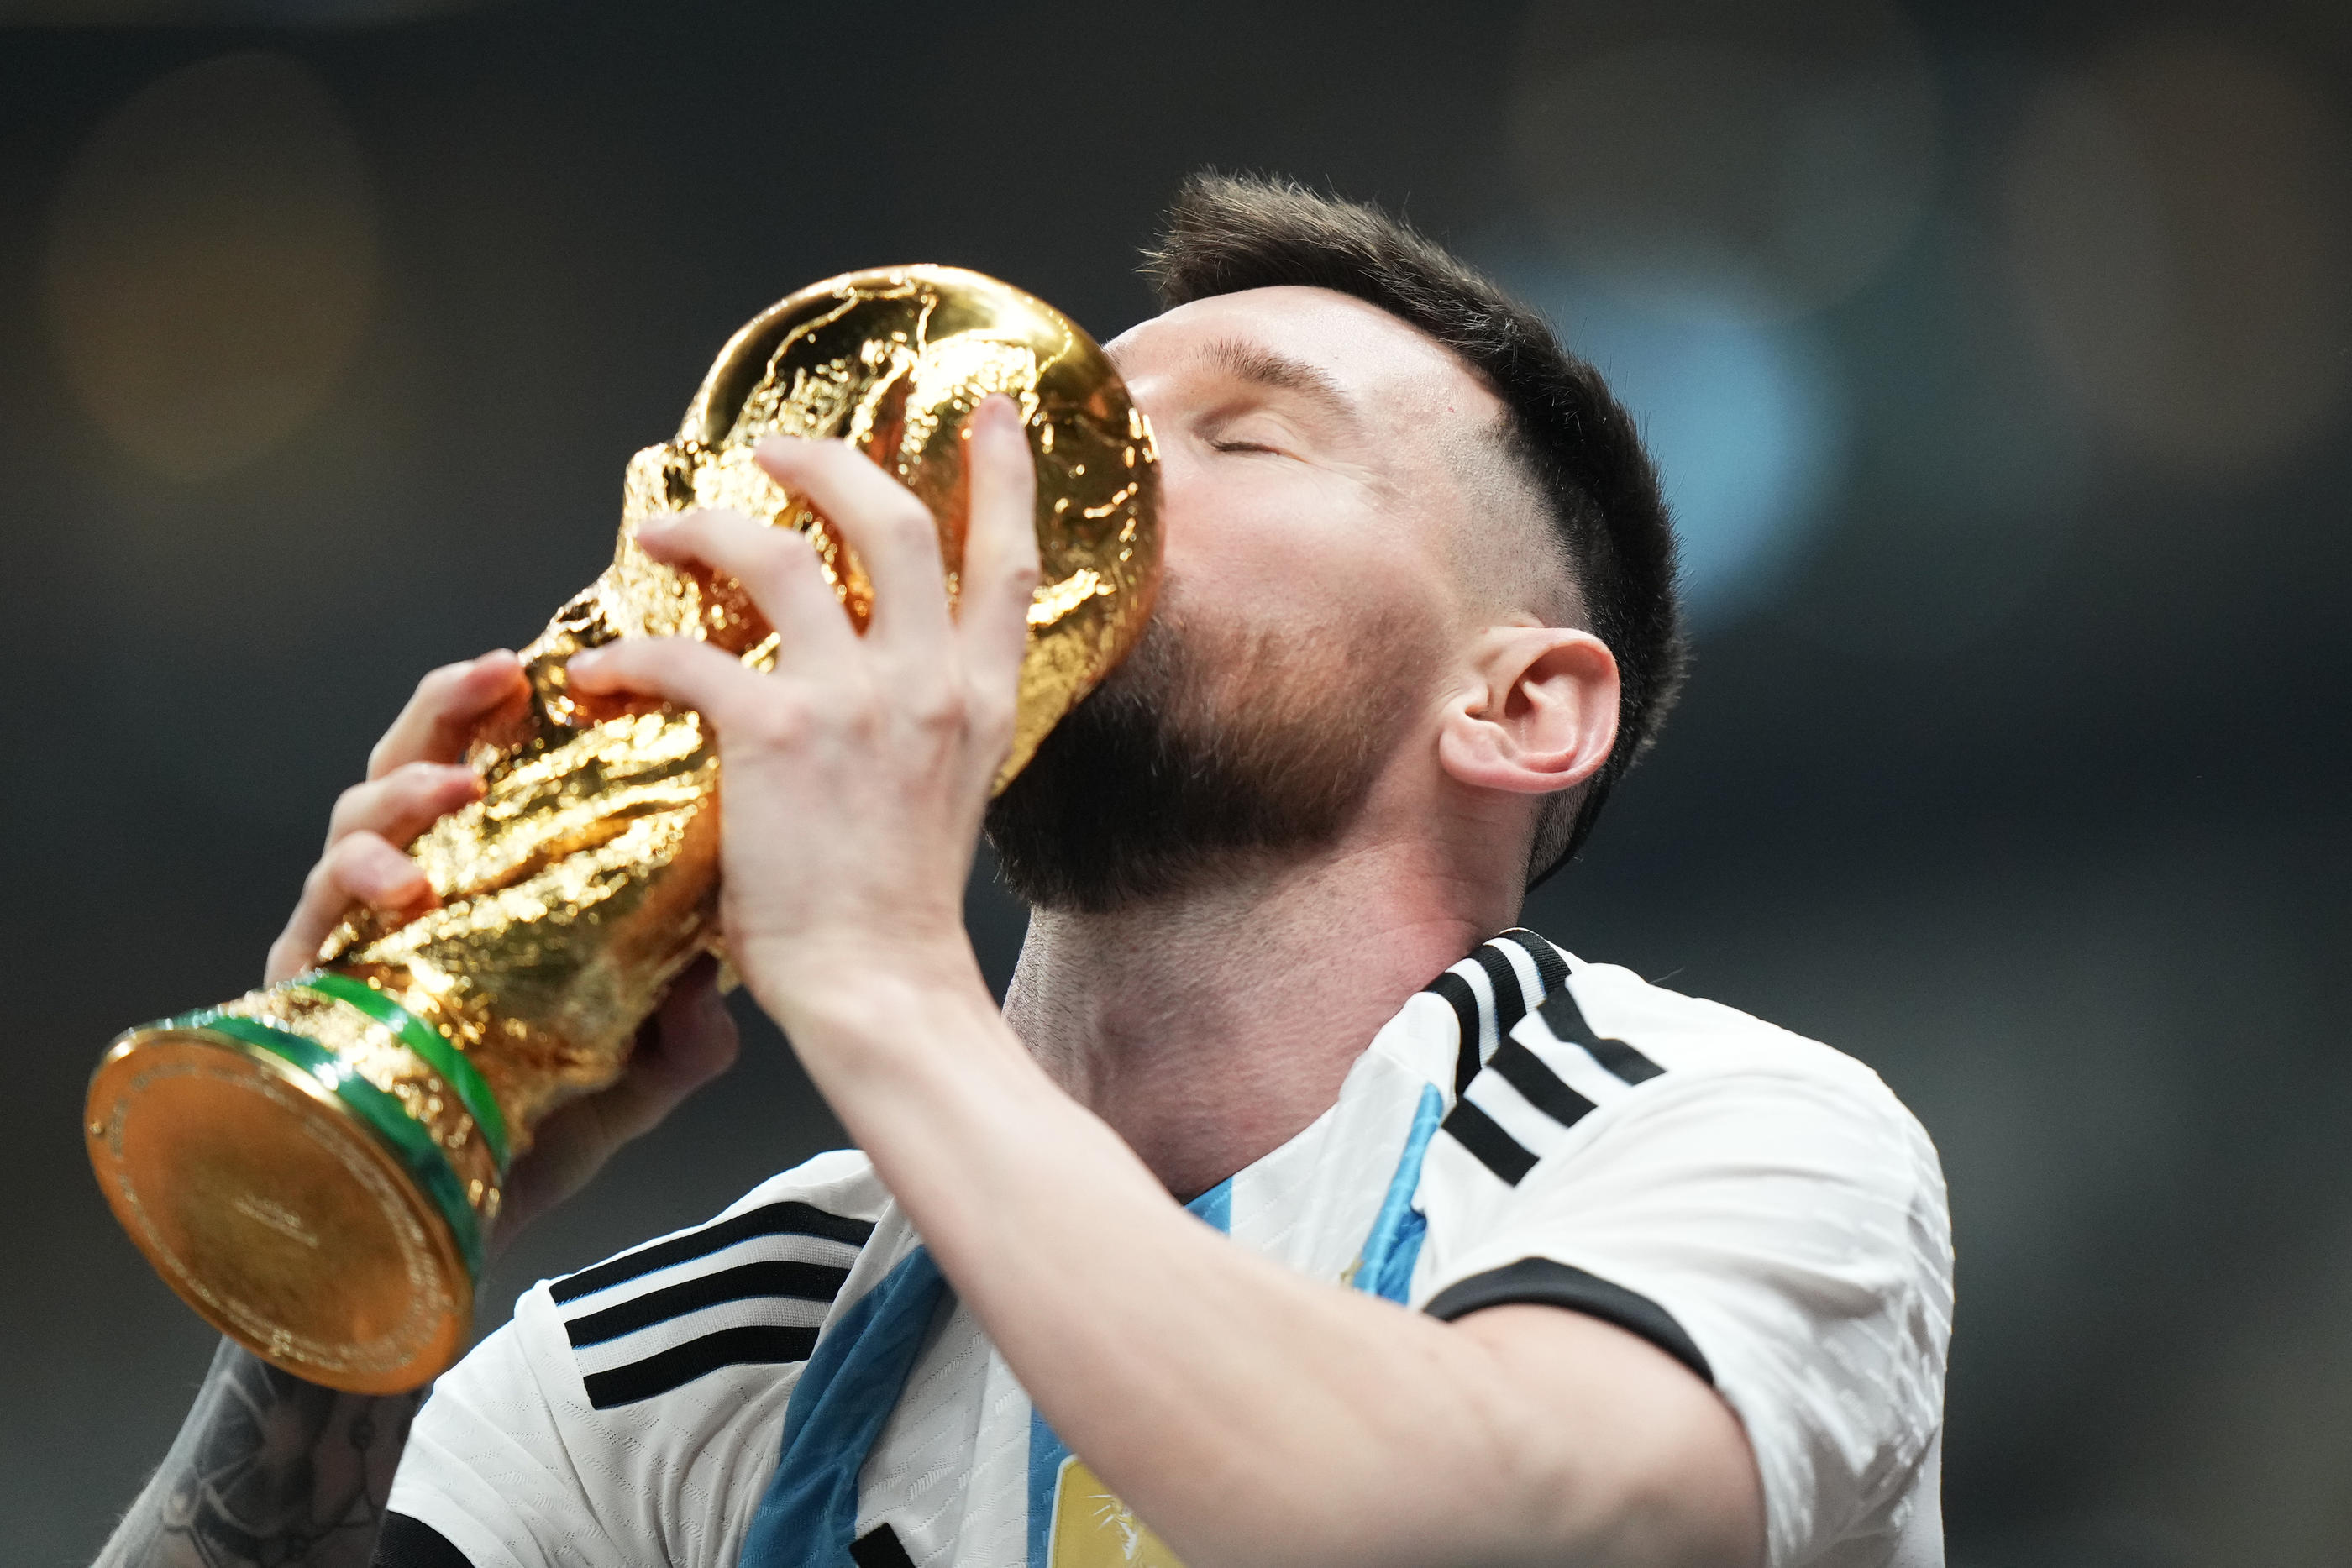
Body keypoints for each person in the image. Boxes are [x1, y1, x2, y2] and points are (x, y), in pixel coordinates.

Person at [96, 174, 1950, 1568]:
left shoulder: (1718, 1139)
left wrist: (875, 966)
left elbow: (1454, 1528)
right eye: (1061, 431)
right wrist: (377, 1200)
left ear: (1521, 704)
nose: (1062, 492)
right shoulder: (682, 1365)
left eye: (1233, 436)